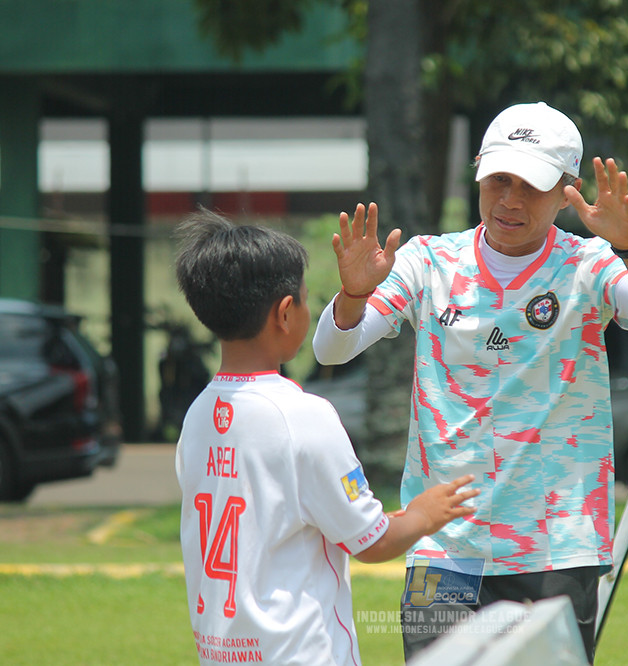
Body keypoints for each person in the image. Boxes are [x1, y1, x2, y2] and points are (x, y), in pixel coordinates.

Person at [311, 101, 628, 662]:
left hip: (558, 546)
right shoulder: (428, 260)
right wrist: (353, 295)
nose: (509, 200)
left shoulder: (589, 263)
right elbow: (333, 347)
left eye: (530, 186)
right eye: (498, 180)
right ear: (479, 174)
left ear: (567, 191)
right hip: (441, 546)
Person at [172, 208, 479, 666]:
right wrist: (422, 515)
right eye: (304, 297)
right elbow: (372, 541)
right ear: (284, 313)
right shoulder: (302, 415)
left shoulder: (198, 416)